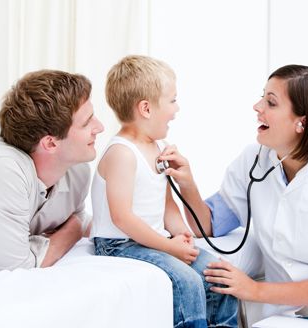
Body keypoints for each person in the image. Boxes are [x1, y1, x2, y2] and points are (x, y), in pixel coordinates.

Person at [158, 65, 308, 327]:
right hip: (287, 311)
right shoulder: (255, 159)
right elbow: (210, 225)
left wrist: (253, 290)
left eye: (271, 102)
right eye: (263, 97)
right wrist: (188, 184)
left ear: (301, 122)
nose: (257, 106)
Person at [90, 55, 237, 328]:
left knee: (221, 276)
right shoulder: (122, 153)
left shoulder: (159, 147)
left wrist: (181, 232)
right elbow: (122, 218)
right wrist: (169, 247)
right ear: (146, 108)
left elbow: (167, 202)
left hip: (151, 240)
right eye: (172, 100)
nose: (177, 108)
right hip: (119, 245)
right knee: (187, 281)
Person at [0, 70, 104, 271]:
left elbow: (76, 218)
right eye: (86, 123)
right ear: (50, 143)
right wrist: (74, 231)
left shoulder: (77, 170)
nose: (100, 127)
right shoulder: (2, 171)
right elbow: (17, 266)